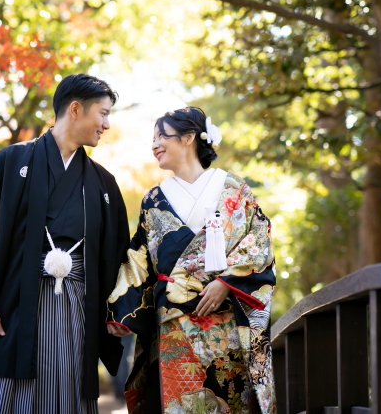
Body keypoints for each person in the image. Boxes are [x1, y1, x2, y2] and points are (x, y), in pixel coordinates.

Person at [0, 74, 130, 414]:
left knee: (70, 391)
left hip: (78, 306)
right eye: (103, 113)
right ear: (75, 109)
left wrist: (120, 311)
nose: (107, 124)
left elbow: (120, 256)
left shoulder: (102, 182)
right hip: (14, 306)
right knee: (11, 395)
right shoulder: (8, 164)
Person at [106, 107, 277, 414]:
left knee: (229, 402)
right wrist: (121, 310)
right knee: (180, 403)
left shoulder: (233, 188)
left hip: (224, 319)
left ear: (187, 138)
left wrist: (226, 283)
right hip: (174, 324)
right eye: (153, 138)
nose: (154, 144)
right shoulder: (154, 199)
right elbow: (139, 257)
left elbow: (258, 239)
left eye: (162, 136)